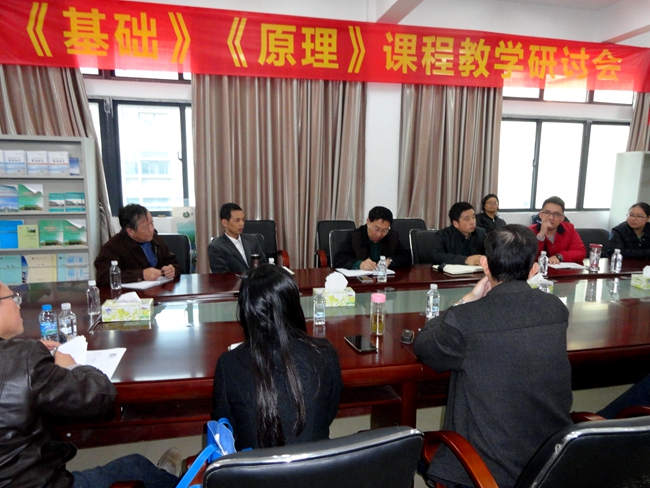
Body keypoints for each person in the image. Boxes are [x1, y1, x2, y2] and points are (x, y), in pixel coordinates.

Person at [414, 225, 572, 488]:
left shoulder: (466, 318)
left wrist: (467, 299)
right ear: (533, 269)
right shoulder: (555, 308)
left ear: (485, 264)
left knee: (421, 451)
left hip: (488, 471)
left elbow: (424, 347)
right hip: (551, 461)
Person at [0, 280, 181, 488]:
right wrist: (72, 366)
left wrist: (26, 357)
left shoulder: (21, 357)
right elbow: (101, 396)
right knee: (136, 466)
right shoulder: (25, 359)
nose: (18, 304)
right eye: (13, 298)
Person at [212, 264, 342, 450]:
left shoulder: (228, 364)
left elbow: (225, 430)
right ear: (294, 306)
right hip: (316, 465)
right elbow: (327, 414)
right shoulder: (326, 353)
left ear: (247, 310)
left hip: (253, 468)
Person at [94, 204, 180, 286]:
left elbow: (173, 262)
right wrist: (141, 275)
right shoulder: (112, 247)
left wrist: (172, 269)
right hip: (129, 294)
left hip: (159, 290)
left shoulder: (155, 239)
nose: (152, 229)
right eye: (146, 227)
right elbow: (103, 276)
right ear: (130, 231)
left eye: (152, 223)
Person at [332, 206, 411, 270]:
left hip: (384, 279)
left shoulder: (392, 237)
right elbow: (339, 259)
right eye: (376, 229)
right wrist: (360, 264)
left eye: (385, 230)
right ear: (368, 222)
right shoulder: (355, 236)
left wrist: (390, 261)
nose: (379, 234)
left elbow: (406, 257)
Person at [208, 203, 268, 273]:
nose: (242, 224)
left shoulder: (253, 240)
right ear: (225, 223)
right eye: (237, 220)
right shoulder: (216, 247)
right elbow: (221, 274)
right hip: (233, 280)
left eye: (243, 220)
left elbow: (264, 265)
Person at [529, 196, 585, 264]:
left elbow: (580, 252)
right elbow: (528, 256)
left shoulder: (569, 229)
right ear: (540, 215)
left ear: (562, 218)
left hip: (562, 270)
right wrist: (540, 236)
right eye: (547, 213)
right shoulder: (530, 231)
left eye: (556, 214)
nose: (551, 218)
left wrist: (560, 257)